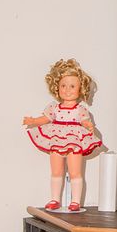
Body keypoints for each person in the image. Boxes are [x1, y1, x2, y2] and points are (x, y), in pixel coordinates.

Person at [22, 58, 101, 211]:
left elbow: (84, 120)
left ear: (80, 89)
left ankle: (75, 201)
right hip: (56, 140)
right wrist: (33, 121)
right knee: (56, 171)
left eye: (72, 86)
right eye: (63, 86)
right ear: (57, 87)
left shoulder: (80, 109)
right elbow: (45, 119)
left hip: (74, 142)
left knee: (75, 172)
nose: (67, 90)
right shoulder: (54, 107)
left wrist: (88, 125)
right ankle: (54, 199)